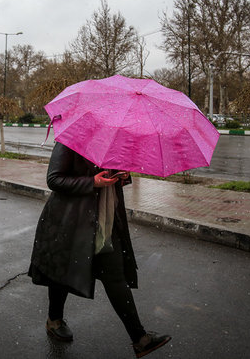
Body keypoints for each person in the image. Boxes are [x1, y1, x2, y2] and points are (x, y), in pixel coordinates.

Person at [28, 142, 171, 358]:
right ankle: (54, 319)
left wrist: (123, 175)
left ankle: (140, 339)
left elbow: (111, 177)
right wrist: (91, 182)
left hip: (105, 221)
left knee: (115, 277)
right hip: (71, 223)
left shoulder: (113, 143)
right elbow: (54, 179)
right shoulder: (69, 141)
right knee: (61, 274)